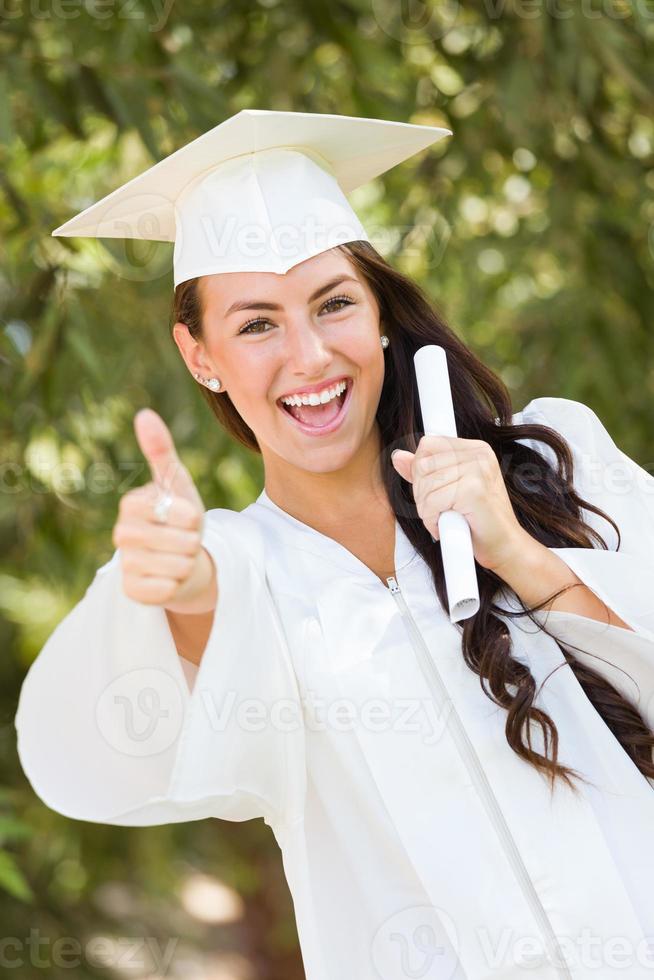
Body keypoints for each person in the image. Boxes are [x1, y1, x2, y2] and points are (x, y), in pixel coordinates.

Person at [15, 110, 654, 980]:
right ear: (199, 355)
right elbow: (100, 761)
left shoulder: (553, 461)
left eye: (334, 303)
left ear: (381, 315)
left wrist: (519, 554)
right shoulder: (246, 576)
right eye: (255, 324)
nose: (309, 356)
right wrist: (177, 593)